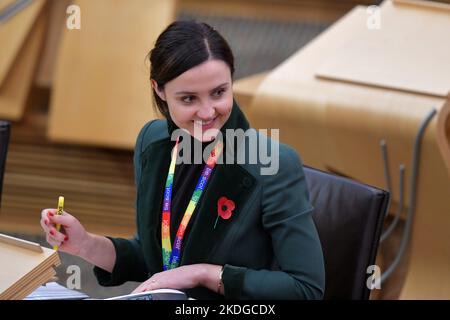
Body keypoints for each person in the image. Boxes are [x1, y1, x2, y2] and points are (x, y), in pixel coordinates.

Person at [40, 20, 325, 300]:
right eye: (189, 98)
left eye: (219, 92)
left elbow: (305, 289)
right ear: (159, 90)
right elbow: (157, 258)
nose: (207, 112)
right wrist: (85, 245)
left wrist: (203, 273)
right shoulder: (153, 142)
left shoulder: (272, 163)